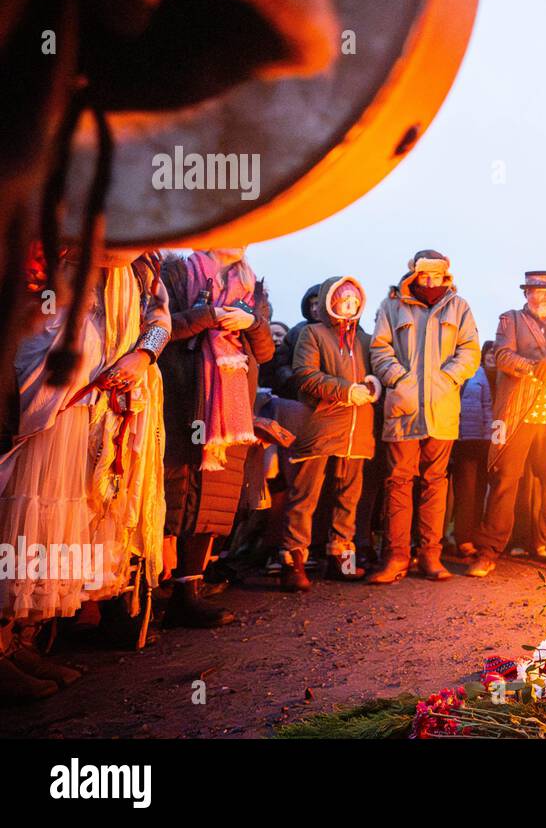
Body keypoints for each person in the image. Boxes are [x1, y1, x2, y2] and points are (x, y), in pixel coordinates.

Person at [0, 246, 170, 701]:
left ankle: (23, 641)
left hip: (94, 407)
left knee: (58, 528)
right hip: (53, 400)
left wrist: (144, 356)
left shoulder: (144, 261)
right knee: (26, 518)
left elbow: (159, 315)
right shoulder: (60, 240)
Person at [159, 247, 275, 628]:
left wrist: (252, 323)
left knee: (214, 496)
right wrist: (206, 316)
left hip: (231, 407)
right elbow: (160, 327)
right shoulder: (177, 272)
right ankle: (143, 594)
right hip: (181, 400)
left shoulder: (253, 286)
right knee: (172, 492)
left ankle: (187, 592)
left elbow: (266, 352)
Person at [367, 250, 480, 584]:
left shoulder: (459, 307)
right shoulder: (391, 306)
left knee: (435, 482)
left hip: (442, 409)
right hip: (403, 408)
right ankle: (396, 557)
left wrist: (446, 380)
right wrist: (400, 381)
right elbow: (380, 349)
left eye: (436, 275)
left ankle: (431, 555)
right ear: (413, 274)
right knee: (399, 482)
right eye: (424, 275)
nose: (430, 281)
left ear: (446, 275)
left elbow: (470, 350)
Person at [470, 272, 546, 577]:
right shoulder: (510, 320)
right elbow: (503, 356)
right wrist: (537, 367)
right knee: (506, 480)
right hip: (518, 411)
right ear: (527, 294)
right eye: (540, 292)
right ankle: (489, 550)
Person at [278, 276, 377, 590]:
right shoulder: (313, 333)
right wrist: (346, 391)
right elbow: (305, 374)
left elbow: (376, 371)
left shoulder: (365, 339)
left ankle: (341, 562)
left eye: (353, 300)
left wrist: (374, 385)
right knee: (305, 494)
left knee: (348, 497)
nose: (349, 305)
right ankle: (292, 563)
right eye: (342, 299)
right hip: (321, 423)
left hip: (357, 427)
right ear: (329, 302)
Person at [450, 350, 494, 556]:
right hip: (455, 438)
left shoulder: (479, 372)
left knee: (476, 490)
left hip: (478, 439)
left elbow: (487, 406)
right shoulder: (449, 366)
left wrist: (488, 436)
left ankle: (473, 535)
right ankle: (462, 538)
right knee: (463, 490)